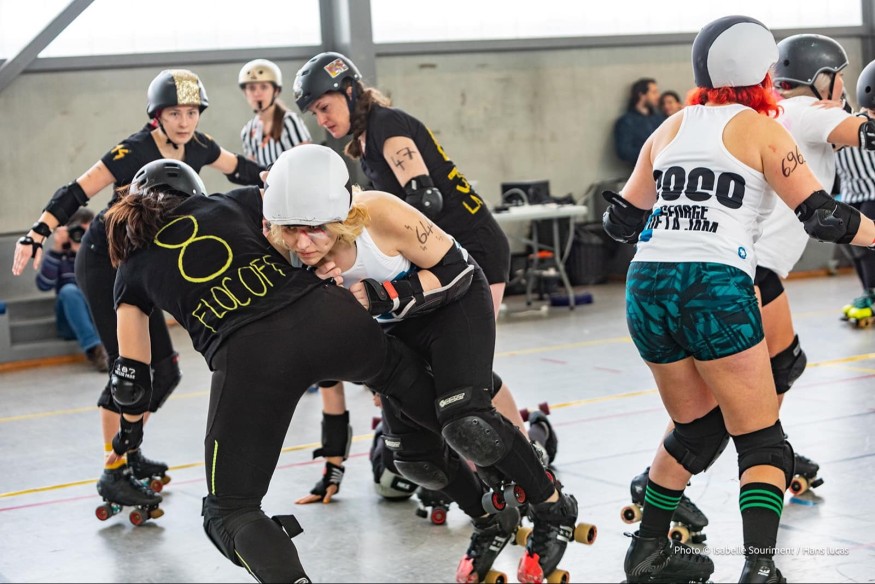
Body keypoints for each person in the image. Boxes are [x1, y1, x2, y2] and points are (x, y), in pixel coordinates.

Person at [602, 15, 875, 583]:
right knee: (762, 442)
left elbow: (619, 221)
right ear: (764, 71)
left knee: (698, 427)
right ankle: (760, 569)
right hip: (714, 284)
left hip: (646, 284)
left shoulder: (669, 128)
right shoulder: (763, 129)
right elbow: (824, 217)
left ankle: (647, 552)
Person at [104, 155, 440, 582]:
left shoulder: (131, 265)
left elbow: (132, 378)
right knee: (434, 399)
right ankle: (505, 482)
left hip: (250, 362)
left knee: (230, 511)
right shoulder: (230, 202)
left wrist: (130, 433)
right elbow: (300, 227)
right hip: (330, 318)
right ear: (192, 193)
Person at [265, 144, 581, 583]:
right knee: (412, 458)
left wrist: (383, 295)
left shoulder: (379, 214)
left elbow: (456, 272)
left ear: (339, 215)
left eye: (314, 230)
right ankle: (490, 519)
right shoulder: (287, 250)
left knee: (466, 421)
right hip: (396, 327)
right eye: (291, 230)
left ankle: (553, 509)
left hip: (453, 305)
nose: (301, 243)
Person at [291, 52, 556, 506]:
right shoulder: (365, 141)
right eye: (315, 113)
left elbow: (424, 199)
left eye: (325, 106)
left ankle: (523, 457)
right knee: (449, 371)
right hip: (442, 255)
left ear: (350, 92)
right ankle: (485, 458)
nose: (322, 119)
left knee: (470, 375)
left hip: (471, 253)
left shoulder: (387, 125)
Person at [11, 69, 265, 509]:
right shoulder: (134, 149)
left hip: (143, 262)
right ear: (157, 115)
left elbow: (242, 168)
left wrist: (283, 178)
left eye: (192, 113)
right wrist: (38, 231)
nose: (184, 122)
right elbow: (77, 191)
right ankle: (114, 470)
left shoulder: (199, 146)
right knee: (129, 371)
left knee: (164, 372)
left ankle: (129, 450)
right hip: (103, 260)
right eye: (175, 113)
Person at [35, 208, 108, 372]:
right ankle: (95, 350)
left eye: (88, 231)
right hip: (68, 322)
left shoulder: (100, 254)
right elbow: (44, 285)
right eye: (79, 231)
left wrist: (87, 252)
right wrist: (57, 249)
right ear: (68, 231)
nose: (82, 236)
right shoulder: (59, 256)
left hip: (98, 319)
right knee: (69, 290)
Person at [835, 58, 875, 327]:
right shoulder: (834, 123)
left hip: (870, 192)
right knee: (856, 251)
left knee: (868, 248)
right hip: (851, 194)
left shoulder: (855, 120)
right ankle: (868, 293)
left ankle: (872, 294)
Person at [238, 59, 311, 167]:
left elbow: (306, 162)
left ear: (276, 91)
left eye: (264, 87)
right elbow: (251, 171)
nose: (257, 93)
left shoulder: (289, 122)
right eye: (251, 88)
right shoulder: (248, 131)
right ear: (245, 93)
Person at [613, 78, 666, 165]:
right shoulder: (626, 122)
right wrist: (651, 152)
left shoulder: (659, 119)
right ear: (642, 95)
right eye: (654, 92)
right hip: (643, 169)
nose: (658, 96)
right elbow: (624, 152)